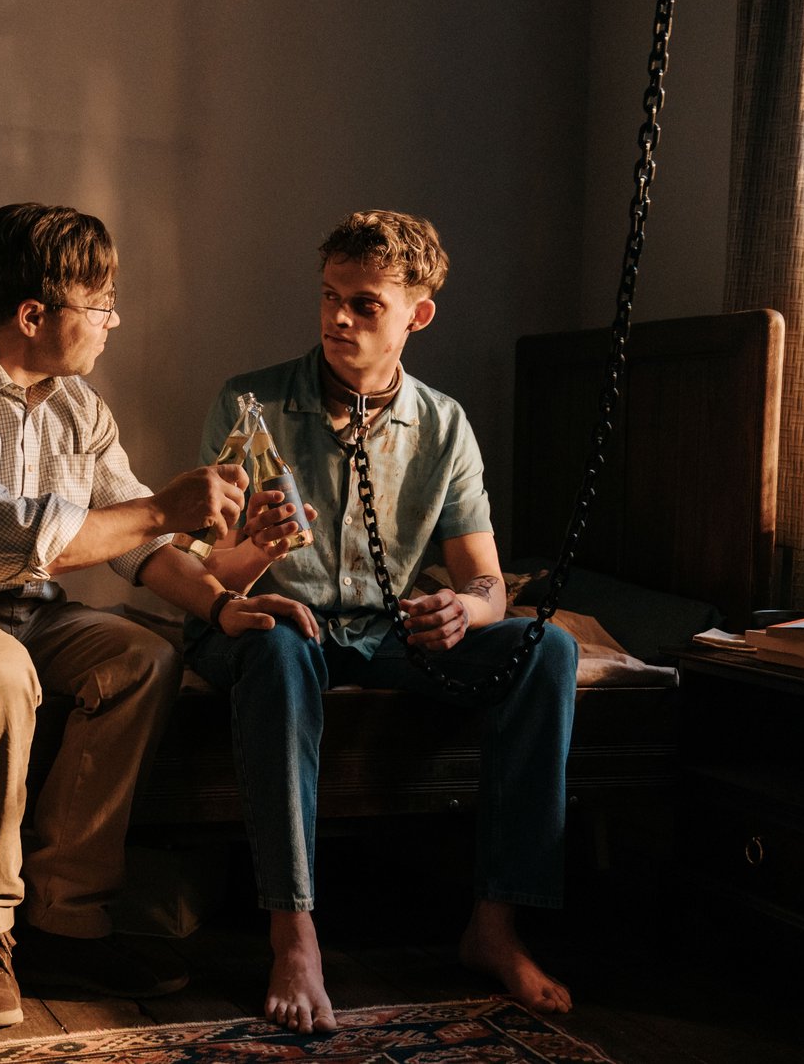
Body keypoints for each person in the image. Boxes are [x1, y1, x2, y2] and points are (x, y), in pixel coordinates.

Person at [0, 202, 317, 1031]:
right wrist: (164, 507)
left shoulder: (80, 408)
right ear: (33, 315)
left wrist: (222, 603)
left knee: (141, 658)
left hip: (29, 612)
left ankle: (65, 918)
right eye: (100, 304)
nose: (112, 321)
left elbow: (135, 538)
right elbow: (3, 540)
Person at [183, 209, 579, 1033]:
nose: (338, 318)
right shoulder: (251, 404)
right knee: (278, 647)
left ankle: (495, 924)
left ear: (416, 315)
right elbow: (204, 575)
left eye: (364, 304)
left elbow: (487, 582)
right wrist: (258, 552)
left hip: (383, 631)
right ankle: (294, 932)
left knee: (548, 650)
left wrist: (464, 609)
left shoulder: (443, 425)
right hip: (267, 623)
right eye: (330, 296)